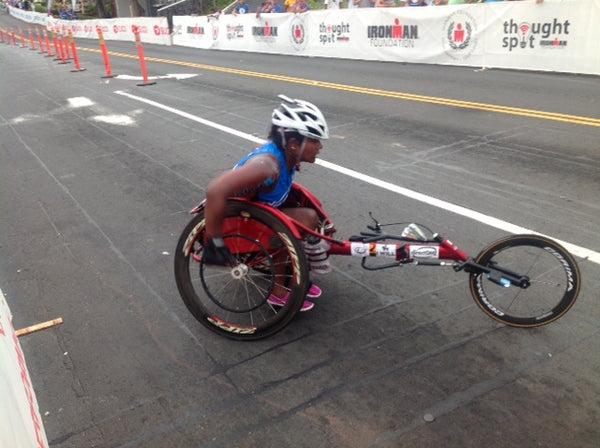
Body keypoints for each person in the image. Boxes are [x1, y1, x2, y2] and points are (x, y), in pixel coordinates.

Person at [203, 95, 330, 312]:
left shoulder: (284, 155)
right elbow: (215, 190)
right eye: (314, 140)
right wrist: (215, 244)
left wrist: (292, 162)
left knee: (310, 214)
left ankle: (293, 274)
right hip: (237, 222)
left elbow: (263, 146)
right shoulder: (266, 168)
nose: (320, 147)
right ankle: (278, 291)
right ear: (292, 144)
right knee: (303, 219)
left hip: (261, 212)